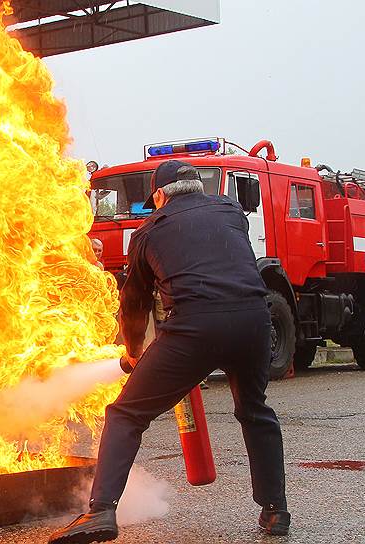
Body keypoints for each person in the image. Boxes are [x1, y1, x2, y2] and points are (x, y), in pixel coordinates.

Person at [49, 160, 289, 543]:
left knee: (126, 413)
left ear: (159, 195)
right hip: (254, 321)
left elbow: (135, 302)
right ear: (198, 187)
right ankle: (276, 512)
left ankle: (101, 512)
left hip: (195, 327)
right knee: (255, 410)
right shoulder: (231, 212)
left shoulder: (147, 232)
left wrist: (132, 351)